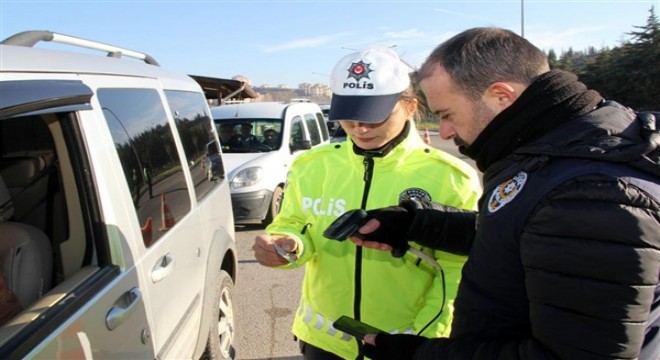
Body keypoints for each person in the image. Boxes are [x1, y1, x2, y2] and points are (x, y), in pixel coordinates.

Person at [347, 27, 660, 360]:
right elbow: (523, 237)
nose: (445, 131)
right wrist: (418, 223)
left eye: (447, 114)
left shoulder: (590, 192)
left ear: (501, 96)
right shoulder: (559, 152)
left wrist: (419, 355)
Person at [251, 46, 482, 360]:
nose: (359, 127)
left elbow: (458, 272)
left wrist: (426, 341)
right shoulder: (312, 166)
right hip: (324, 343)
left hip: (405, 346)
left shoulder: (452, 177)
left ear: (411, 107)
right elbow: (292, 225)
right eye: (349, 114)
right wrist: (285, 245)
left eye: (374, 115)